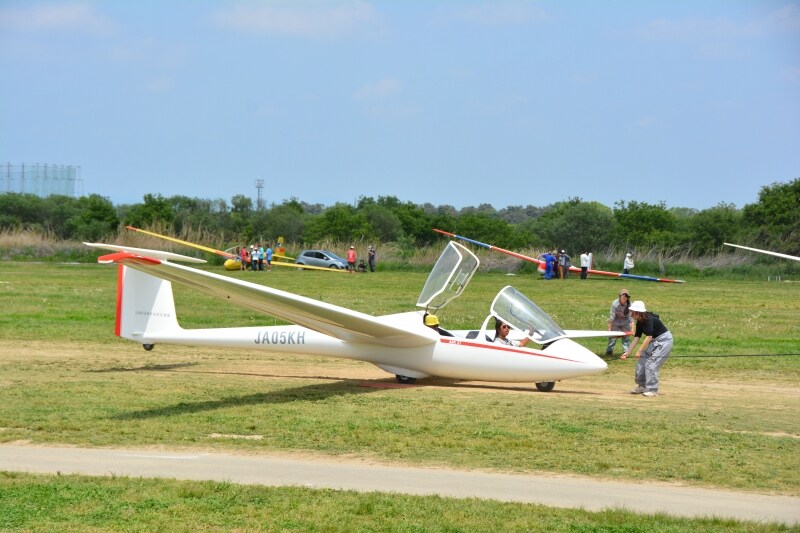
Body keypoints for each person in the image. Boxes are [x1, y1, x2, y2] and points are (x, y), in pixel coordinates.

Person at [621, 300, 673, 397]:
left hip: (665, 341)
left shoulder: (649, 319)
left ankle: (653, 390)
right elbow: (636, 338)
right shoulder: (639, 322)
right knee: (642, 361)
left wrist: (639, 351)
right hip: (654, 341)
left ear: (638, 312)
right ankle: (642, 386)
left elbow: (648, 337)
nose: (631, 314)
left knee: (651, 364)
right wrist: (627, 353)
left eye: (632, 312)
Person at [606, 288, 632, 356]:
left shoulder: (630, 305)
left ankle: (626, 352)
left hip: (625, 321)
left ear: (627, 297)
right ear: (620, 296)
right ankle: (609, 351)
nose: (624, 297)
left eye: (626, 296)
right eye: (623, 295)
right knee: (612, 336)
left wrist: (632, 329)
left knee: (626, 337)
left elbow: (631, 318)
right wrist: (609, 329)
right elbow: (611, 317)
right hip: (616, 320)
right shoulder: (615, 303)